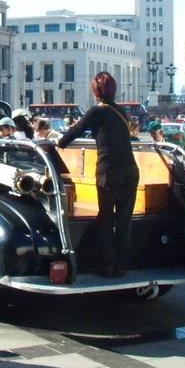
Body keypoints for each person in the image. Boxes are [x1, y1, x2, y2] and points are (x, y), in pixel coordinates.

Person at [58, 72, 139, 278]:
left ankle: (106, 265)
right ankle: (122, 267)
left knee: (105, 217)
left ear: (96, 92)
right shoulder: (121, 111)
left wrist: (59, 143)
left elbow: (74, 132)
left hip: (109, 171)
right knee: (124, 220)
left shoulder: (97, 111)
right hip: (131, 170)